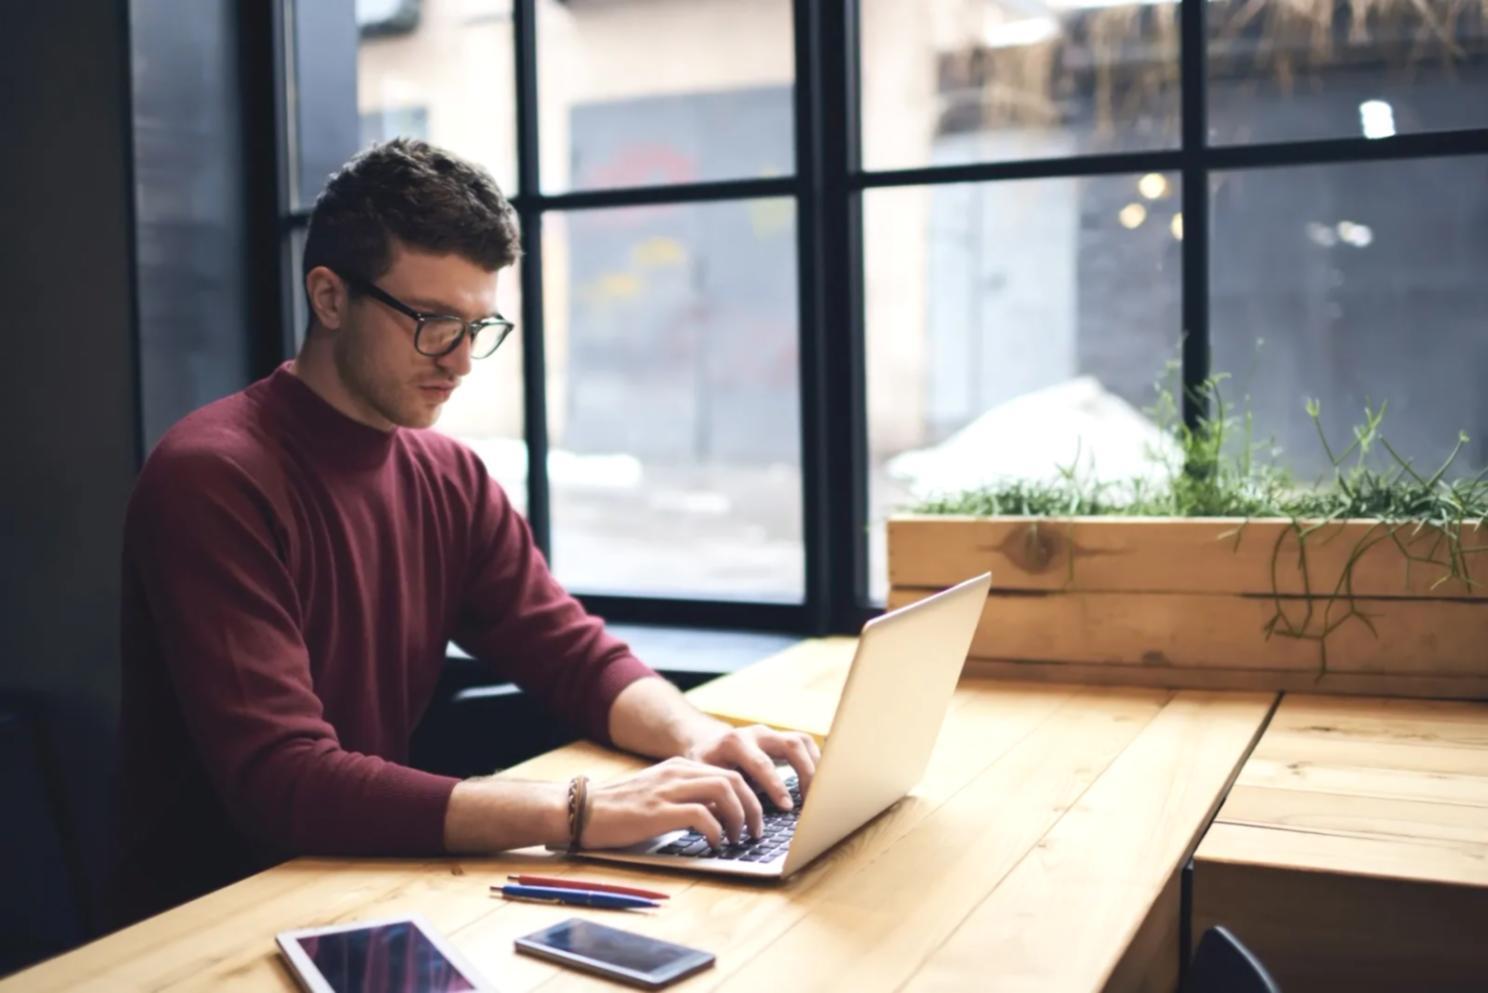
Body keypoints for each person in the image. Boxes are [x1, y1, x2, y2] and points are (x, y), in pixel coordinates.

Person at [115, 138, 818, 923]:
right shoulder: (213, 476)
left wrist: (697, 737)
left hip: (360, 888)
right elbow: (284, 782)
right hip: (215, 918)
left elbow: (571, 654)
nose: (460, 362)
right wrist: (582, 811)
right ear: (329, 296)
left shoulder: (447, 474)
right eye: (432, 322)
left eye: (477, 326)